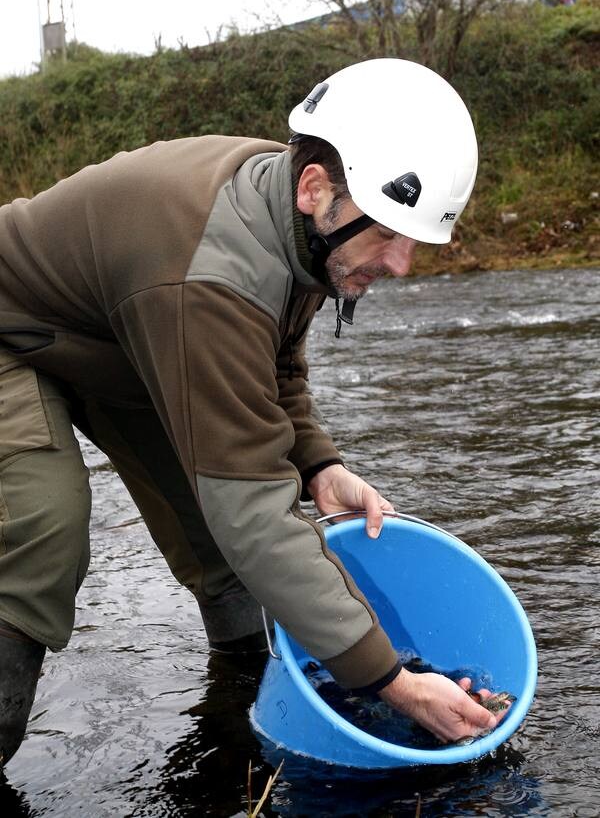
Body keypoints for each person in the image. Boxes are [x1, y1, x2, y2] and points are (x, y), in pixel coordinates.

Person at [0, 57, 504, 770]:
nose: (401, 265)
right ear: (314, 189)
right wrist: (394, 684)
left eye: (414, 240)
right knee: (42, 526)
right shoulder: (213, 273)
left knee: (225, 554)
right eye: (389, 234)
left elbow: (275, 366)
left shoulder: (303, 223)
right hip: (15, 333)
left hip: (110, 338)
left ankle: (241, 733)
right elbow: (254, 513)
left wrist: (320, 465)